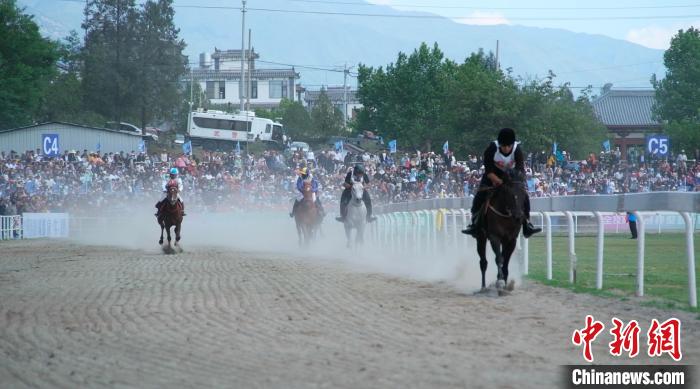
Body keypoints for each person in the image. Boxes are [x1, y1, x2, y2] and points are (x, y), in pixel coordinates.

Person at [461, 128, 541, 238]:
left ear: (512, 144)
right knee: (479, 196)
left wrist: (514, 182)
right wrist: (498, 181)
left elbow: (520, 170)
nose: (507, 149)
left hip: (512, 176)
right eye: (504, 146)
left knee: (524, 196)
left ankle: (527, 223)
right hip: (492, 175)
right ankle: (474, 224)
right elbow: (488, 171)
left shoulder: (517, 150)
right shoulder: (492, 148)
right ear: (499, 144)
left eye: (509, 146)